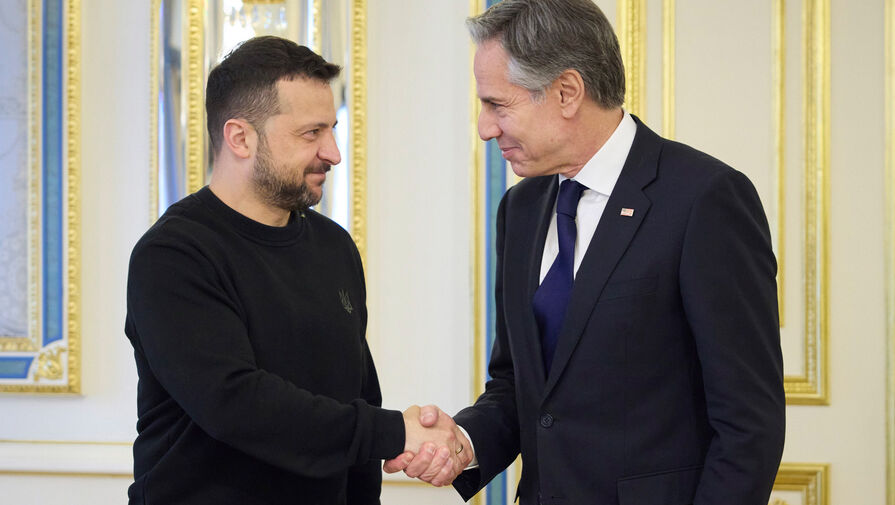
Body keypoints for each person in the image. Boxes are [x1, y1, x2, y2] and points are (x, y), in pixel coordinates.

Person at [385, 1, 786, 503]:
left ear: (567, 92)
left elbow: (749, 424)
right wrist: (464, 443)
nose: (485, 127)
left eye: (498, 105)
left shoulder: (703, 199)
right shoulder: (521, 209)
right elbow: (520, 385)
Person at [125, 36, 469, 505]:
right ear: (240, 138)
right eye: (311, 133)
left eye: (332, 130)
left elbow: (359, 397)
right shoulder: (173, 254)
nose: (333, 152)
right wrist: (394, 432)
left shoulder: (334, 246)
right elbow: (236, 405)